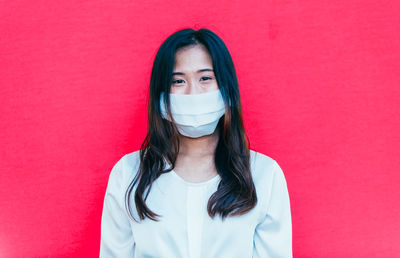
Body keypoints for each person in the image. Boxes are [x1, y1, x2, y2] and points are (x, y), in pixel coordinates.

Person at [100, 28, 292, 258]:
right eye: (178, 81)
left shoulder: (264, 175)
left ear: (226, 88)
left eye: (205, 78)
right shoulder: (128, 174)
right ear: (160, 94)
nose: (193, 93)